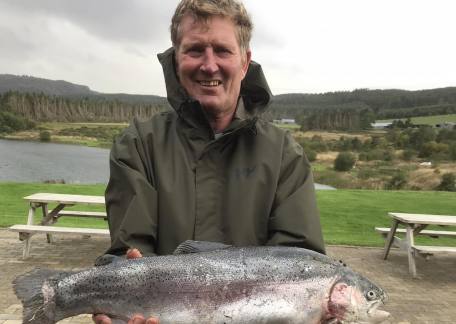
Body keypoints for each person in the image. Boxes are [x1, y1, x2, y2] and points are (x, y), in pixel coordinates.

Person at [94, 0, 325, 323]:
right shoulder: (138, 145)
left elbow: (300, 263)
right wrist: (121, 297)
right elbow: (130, 250)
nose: (209, 64)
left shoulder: (285, 155)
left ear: (245, 62)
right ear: (176, 60)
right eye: (195, 50)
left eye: (222, 50)